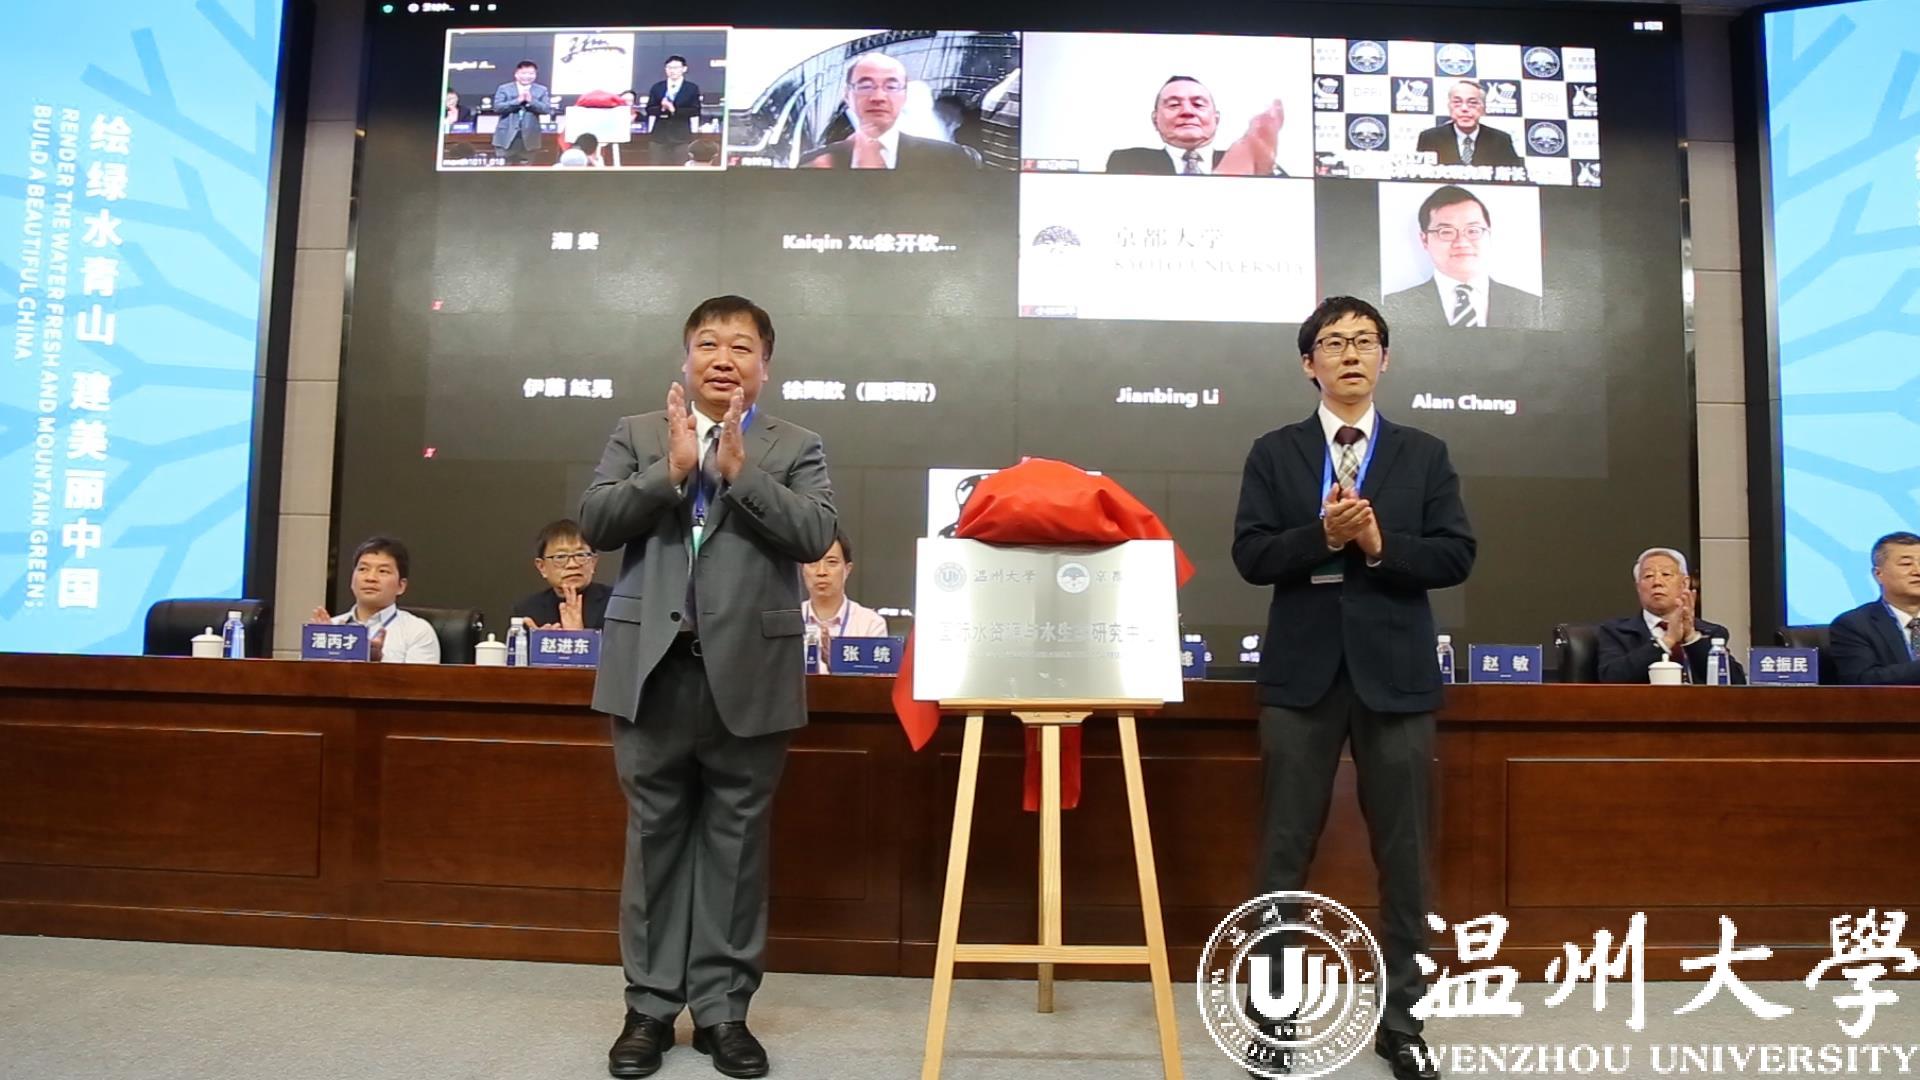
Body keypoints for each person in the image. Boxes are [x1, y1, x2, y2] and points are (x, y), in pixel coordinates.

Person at [582, 295, 836, 1079]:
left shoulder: (796, 445)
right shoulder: (638, 434)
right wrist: (672, 471)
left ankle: (725, 1013)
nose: (724, 358)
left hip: (750, 675)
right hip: (652, 670)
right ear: (686, 358)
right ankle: (650, 1010)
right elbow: (596, 523)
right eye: (708, 344)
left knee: (736, 845)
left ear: (765, 366)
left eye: (742, 347)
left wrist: (739, 472)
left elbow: (815, 534)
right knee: (653, 841)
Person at [1232, 296, 1472, 1080]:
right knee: (1282, 852)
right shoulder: (1274, 453)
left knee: (1406, 858)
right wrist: (1321, 537)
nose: (1350, 354)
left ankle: (1403, 1023)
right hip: (1300, 677)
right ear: (1310, 363)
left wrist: (1375, 542)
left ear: (1385, 359)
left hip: (1395, 678)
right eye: (1334, 343)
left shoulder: (1423, 453)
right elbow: (1251, 556)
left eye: (1365, 341)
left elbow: (1455, 556)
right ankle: (1274, 1021)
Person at [1380, 185, 1543, 330]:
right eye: (1446, 232)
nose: (1462, 242)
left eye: (1473, 231)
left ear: (1489, 235)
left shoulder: (1531, 305)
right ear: (1424, 240)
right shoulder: (1393, 305)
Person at [799, 52, 981, 171]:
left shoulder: (955, 160)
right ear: (847, 95)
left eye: (891, 87)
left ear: (905, 95)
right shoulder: (813, 163)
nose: (878, 97)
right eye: (866, 86)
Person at [1595, 548, 1746, 684]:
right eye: (1648, 576)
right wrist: (1667, 641)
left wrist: (1692, 638)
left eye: (1666, 574)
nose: (1657, 582)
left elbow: (1736, 684)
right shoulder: (1615, 632)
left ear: (1684, 584)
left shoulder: (1710, 633)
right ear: (1638, 587)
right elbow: (1611, 678)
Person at [1106, 75, 1288, 177]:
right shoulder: (1128, 161)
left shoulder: (1250, 162)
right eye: (1174, 105)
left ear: (1216, 119)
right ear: (1155, 120)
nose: (1187, 112)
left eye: (1198, 104)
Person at [308, 536, 441, 664]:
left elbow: (420, 680)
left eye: (383, 571)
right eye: (363, 569)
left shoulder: (417, 631)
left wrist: (376, 665)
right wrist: (321, 652)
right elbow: (307, 678)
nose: (370, 578)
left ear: (401, 586)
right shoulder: (330, 629)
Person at [1829, 531, 1920, 685]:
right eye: (1906, 564)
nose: (1917, 571)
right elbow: (1862, 680)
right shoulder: (1853, 625)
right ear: (1878, 574)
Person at [802, 529, 888, 672]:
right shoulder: (789, 621)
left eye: (831, 562)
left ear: (847, 569)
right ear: (802, 569)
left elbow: (875, 681)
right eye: (813, 563)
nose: (821, 572)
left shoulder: (870, 623)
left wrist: (835, 662)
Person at [512, 519, 611, 631]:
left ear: (593, 562)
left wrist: (579, 636)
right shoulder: (527, 610)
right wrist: (539, 640)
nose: (572, 564)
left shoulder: (615, 604)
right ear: (542, 567)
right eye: (560, 557)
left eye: (580, 555)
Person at [1414, 80, 1522, 166]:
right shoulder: (1429, 138)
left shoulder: (1501, 140)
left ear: (1483, 108)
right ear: (1449, 106)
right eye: (1457, 102)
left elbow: (1515, 176)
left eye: (1472, 103)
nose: (1464, 108)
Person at [492, 60, 551, 165]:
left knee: (526, 171)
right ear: (516, 74)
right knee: (503, 170)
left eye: (531, 73)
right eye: (524, 73)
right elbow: (497, 107)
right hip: (506, 136)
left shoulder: (541, 90)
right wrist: (517, 101)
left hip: (529, 138)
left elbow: (546, 109)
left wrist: (531, 101)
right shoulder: (504, 88)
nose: (527, 76)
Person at [646, 56, 701, 166]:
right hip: (659, 137)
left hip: (681, 137)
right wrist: (662, 108)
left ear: (684, 69)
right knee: (656, 167)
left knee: (679, 168)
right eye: (669, 68)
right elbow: (649, 109)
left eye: (676, 68)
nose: (672, 71)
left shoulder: (691, 88)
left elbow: (695, 110)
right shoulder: (657, 87)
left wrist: (673, 110)